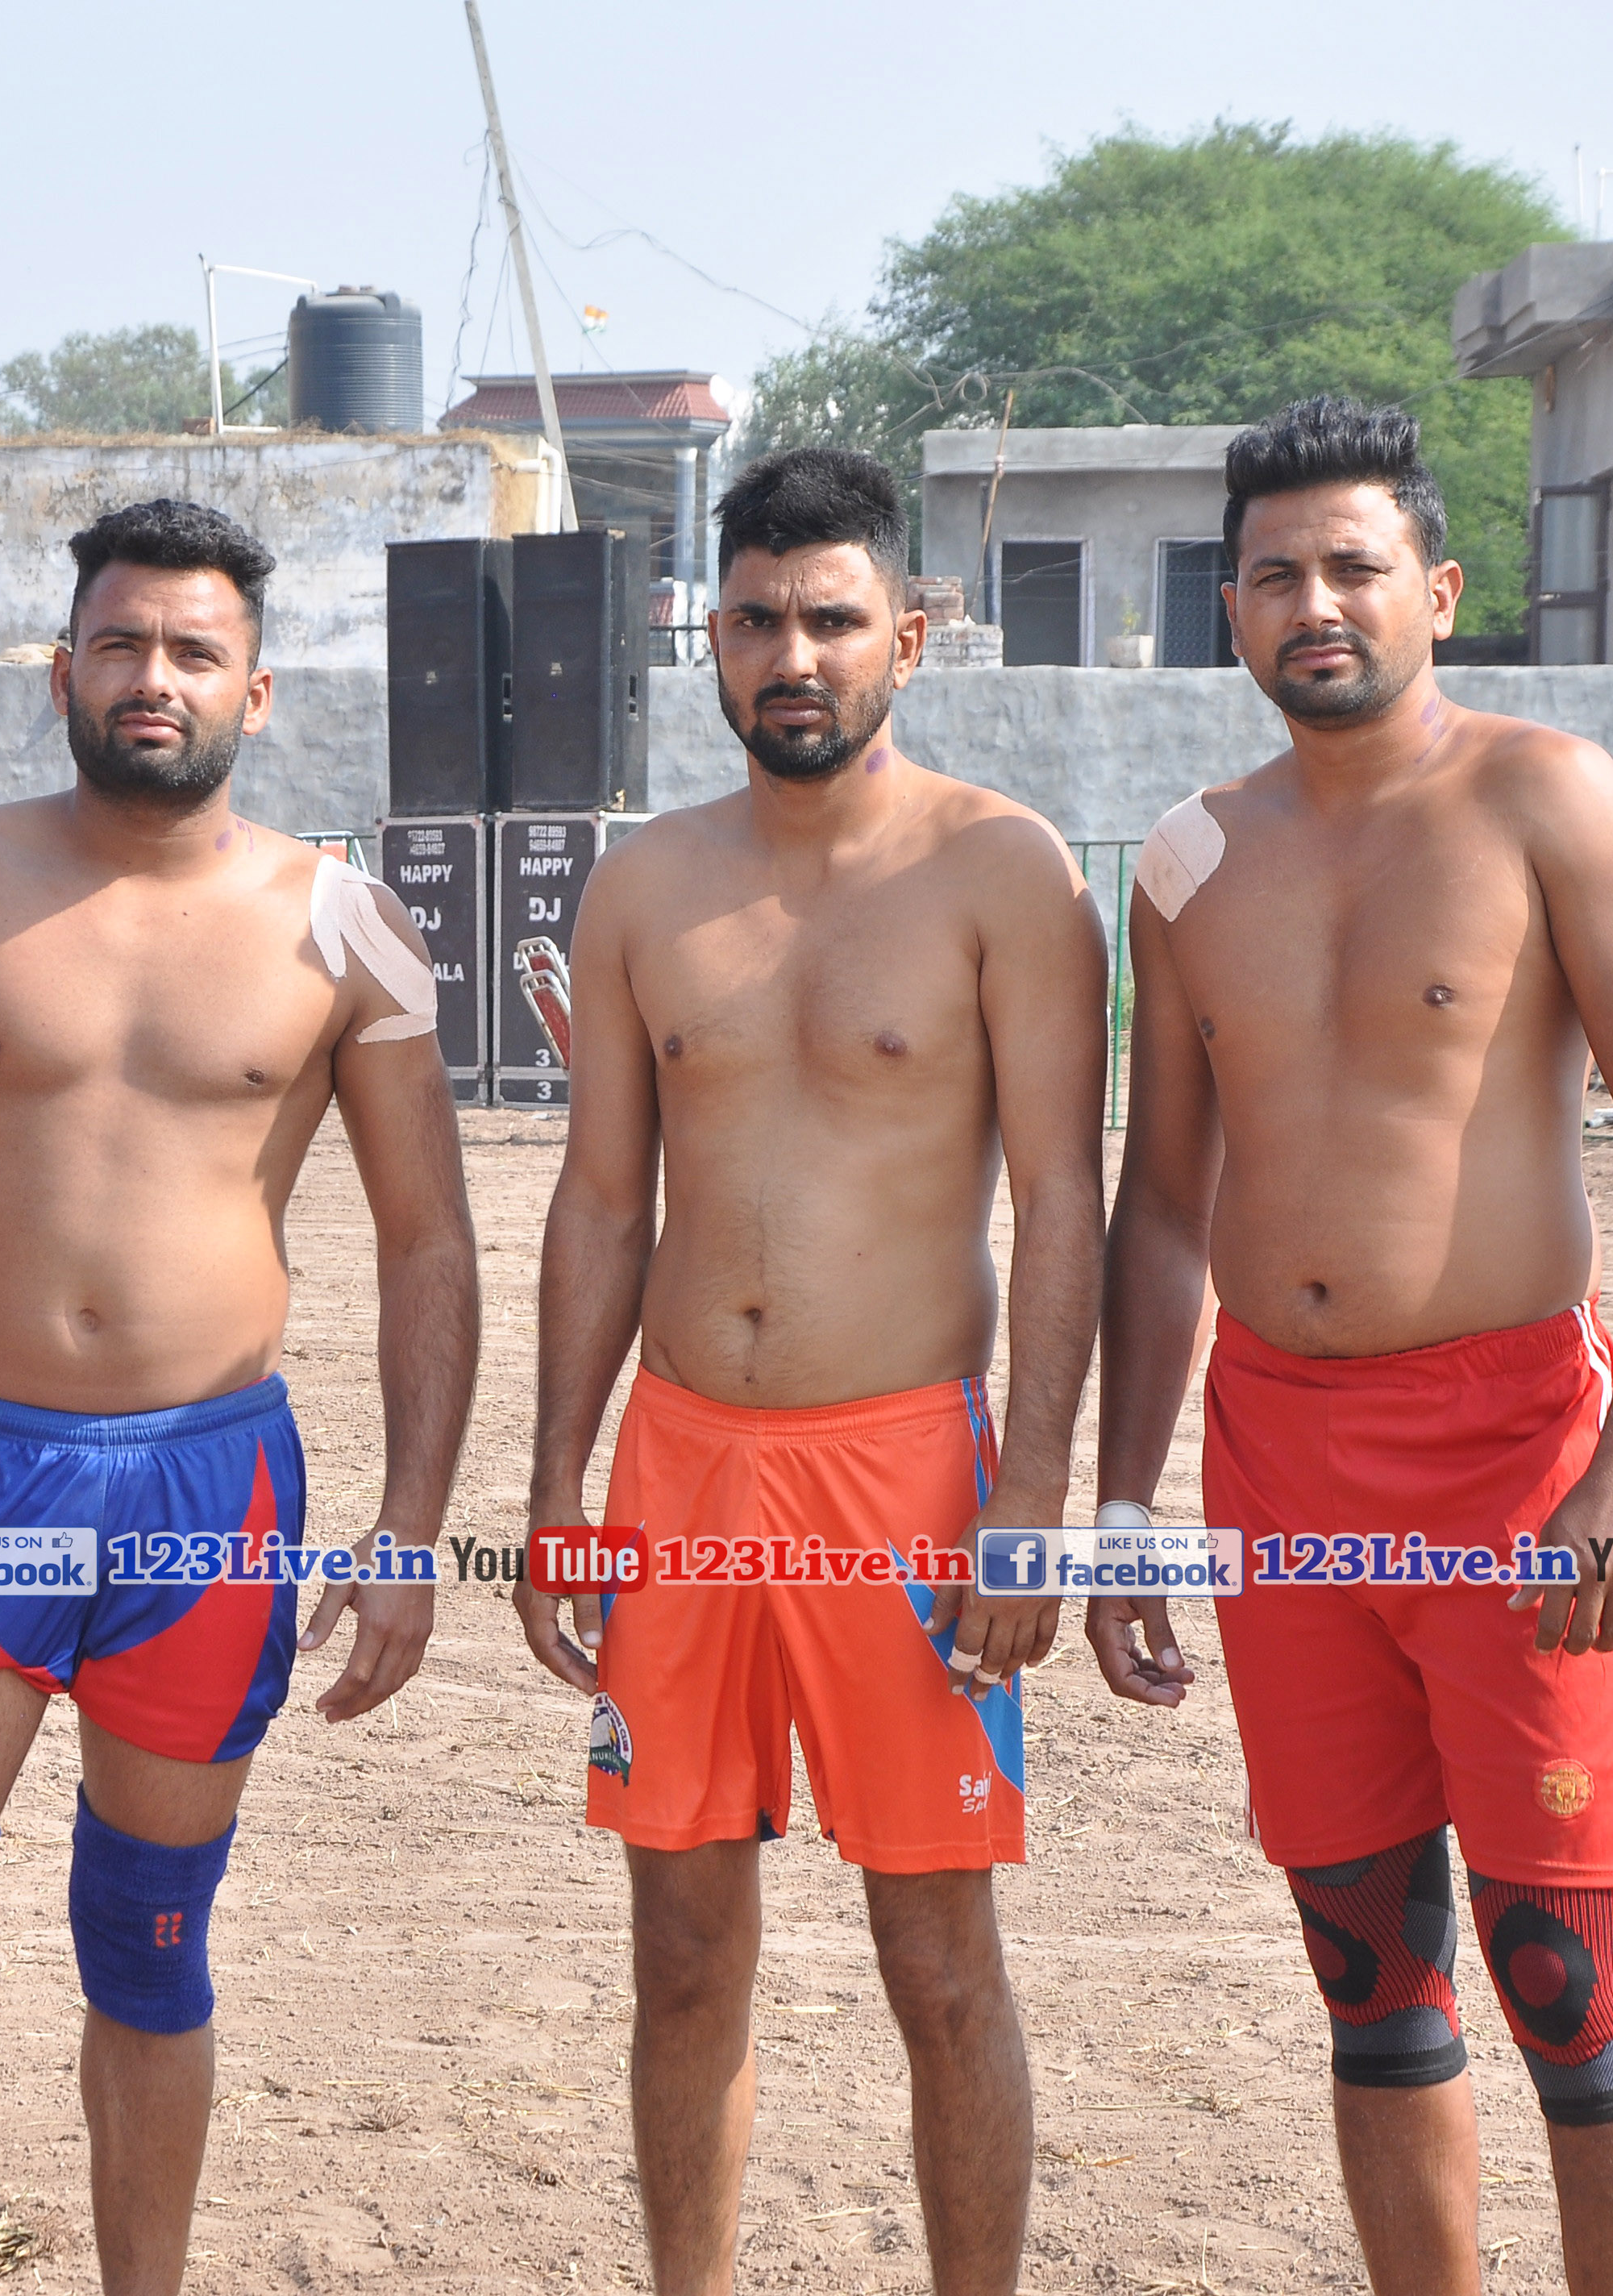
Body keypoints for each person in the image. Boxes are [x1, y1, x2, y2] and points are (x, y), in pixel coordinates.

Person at [0, 498, 481, 2296]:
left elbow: (428, 1243)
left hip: (209, 1494)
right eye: (123, 643)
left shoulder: (348, 929)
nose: (156, 676)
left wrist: (408, 1528)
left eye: (194, 650)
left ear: (257, 689)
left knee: (150, 1953)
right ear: (62, 666)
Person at [1090, 396, 1613, 2296]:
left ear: (1436, 591)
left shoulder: (1551, 801)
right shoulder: (1186, 860)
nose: (1314, 603)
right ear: (1228, 606)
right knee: (1365, 1966)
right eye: (1273, 574)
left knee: (1561, 1974)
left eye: (1351, 566)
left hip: (1510, 1452)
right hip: (1271, 1451)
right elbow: (1160, 1206)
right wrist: (1123, 1507)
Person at [518, 446, 1108, 2296]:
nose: (793, 654)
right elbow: (599, 1203)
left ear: (905, 638)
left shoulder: (1002, 871)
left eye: (831, 619)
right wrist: (555, 1486)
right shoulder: (643, 885)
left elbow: (1065, 1204)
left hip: (907, 1474)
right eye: (756, 618)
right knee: (681, 1949)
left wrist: (1032, 1493)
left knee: (936, 1961)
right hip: (679, 1465)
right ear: (706, 636)